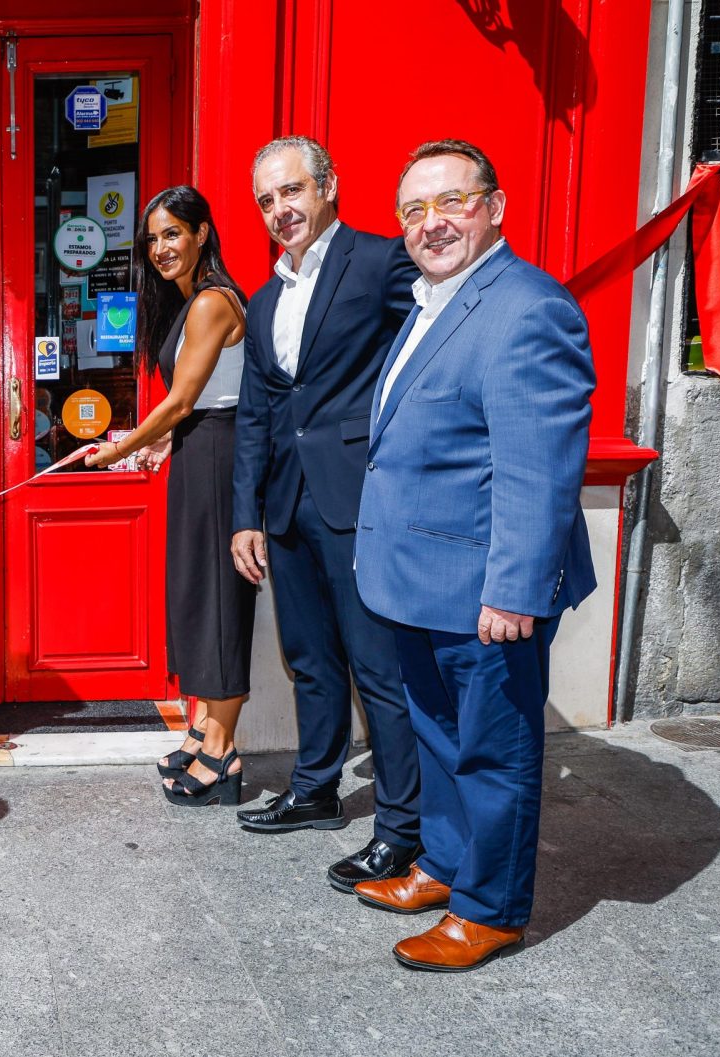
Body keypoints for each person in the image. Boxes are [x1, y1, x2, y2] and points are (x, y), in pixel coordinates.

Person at [352, 140, 595, 971]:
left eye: (451, 202)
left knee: (494, 751)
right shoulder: (432, 301)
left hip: (486, 589)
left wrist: (517, 590)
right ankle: (446, 865)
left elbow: (540, 467)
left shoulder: (528, 307)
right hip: (422, 582)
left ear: (494, 205)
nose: (432, 223)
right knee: (440, 737)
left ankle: (489, 908)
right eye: (414, 210)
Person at [228, 136, 425, 893]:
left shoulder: (379, 263)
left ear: (329, 186)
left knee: (378, 670)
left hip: (360, 498)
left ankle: (401, 830)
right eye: (268, 201)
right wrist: (248, 513)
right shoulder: (265, 298)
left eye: (292, 191)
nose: (281, 210)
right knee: (310, 660)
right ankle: (314, 789)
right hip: (286, 507)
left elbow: (432, 350)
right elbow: (256, 415)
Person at [84, 186, 254, 805]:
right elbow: (190, 406)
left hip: (219, 455)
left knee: (217, 600)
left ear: (202, 233)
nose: (160, 248)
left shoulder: (212, 302)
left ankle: (224, 749)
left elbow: (184, 400)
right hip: (198, 448)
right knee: (194, 593)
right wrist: (161, 443)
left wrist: (122, 448)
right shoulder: (186, 303)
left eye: (173, 234)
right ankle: (205, 726)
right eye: (152, 238)